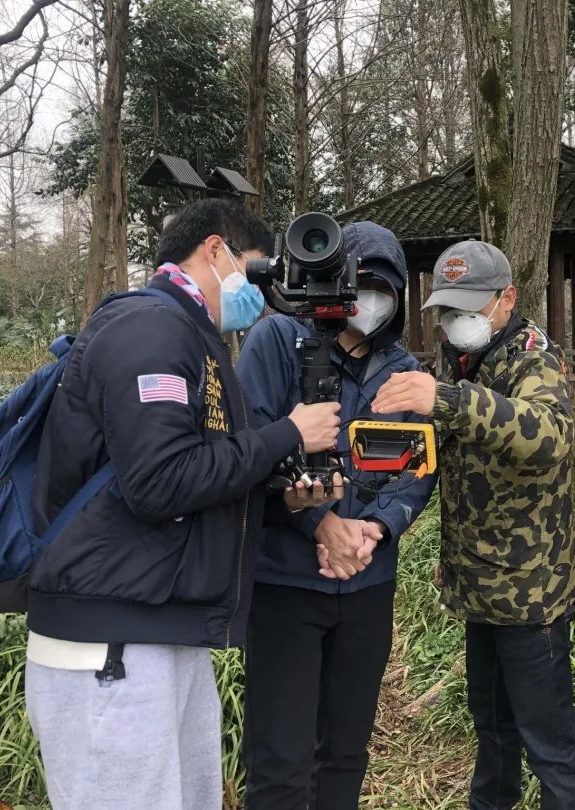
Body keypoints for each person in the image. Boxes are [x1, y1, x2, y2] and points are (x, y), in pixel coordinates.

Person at [24, 198, 342, 810]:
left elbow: (196, 479)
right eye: (257, 271)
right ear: (216, 250)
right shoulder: (150, 330)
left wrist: (285, 497)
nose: (260, 294)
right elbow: (159, 481)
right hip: (110, 646)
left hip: (157, 630)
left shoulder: (193, 339)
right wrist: (289, 434)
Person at [371, 240, 575, 810]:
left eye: (467, 307)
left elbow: (549, 435)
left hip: (530, 594)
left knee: (551, 745)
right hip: (477, 586)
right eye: (446, 309)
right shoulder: (457, 358)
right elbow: (436, 457)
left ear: (507, 299)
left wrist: (448, 400)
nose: (454, 321)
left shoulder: (532, 356)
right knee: (492, 730)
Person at [236, 221, 437, 810]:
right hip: (286, 584)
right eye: (361, 284)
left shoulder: (404, 371)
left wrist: (376, 528)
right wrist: (320, 524)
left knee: (347, 751)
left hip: (367, 584)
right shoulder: (276, 340)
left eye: (384, 290)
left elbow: (418, 468)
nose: (369, 301)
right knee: (281, 759)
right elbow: (249, 447)